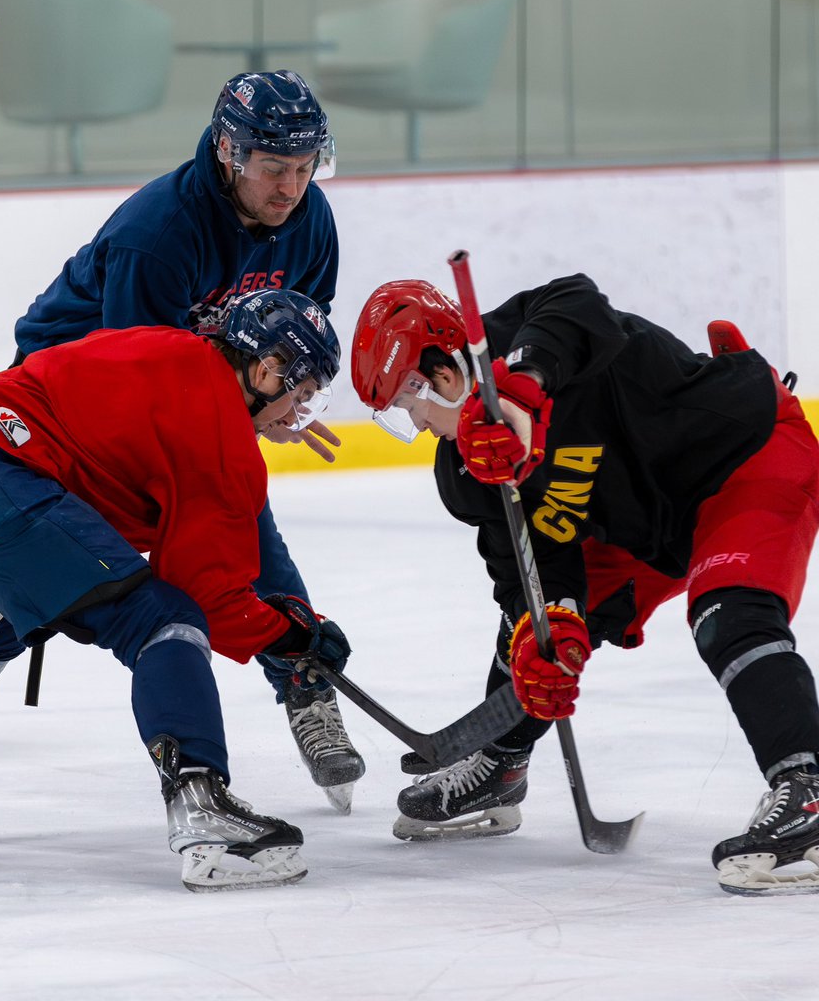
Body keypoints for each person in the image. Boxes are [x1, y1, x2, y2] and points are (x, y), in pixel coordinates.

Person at [0, 69, 364, 825]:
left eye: (305, 166)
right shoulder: (158, 234)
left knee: (236, 520)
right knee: (46, 563)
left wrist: (274, 396)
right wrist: (237, 424)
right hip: (70, 392)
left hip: (188, 386)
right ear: (229, 153)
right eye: (273, 168)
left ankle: (305, 689)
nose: (292, 186)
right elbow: (139, 371)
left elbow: (293, 329)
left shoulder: (311, 221)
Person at [0, 290, 352, 892]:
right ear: (267, 369)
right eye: (300, 393)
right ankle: (203, 807)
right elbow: (206, 597)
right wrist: (292, 635)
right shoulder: (221, 427)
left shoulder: (159, 343)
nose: (298, 414)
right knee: (163, 620)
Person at [350, 272, 819, 896]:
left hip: (742, 456)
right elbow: (527, 564)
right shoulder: (465, 470)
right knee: (534, 632)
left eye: (411, 404)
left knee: (727, 615)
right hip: (639, 531)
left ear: (440, 372)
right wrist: (553, 619)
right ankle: (501, 761)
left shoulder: (532, 334)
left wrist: (521, 394)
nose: (418, 423)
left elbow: (577, 299)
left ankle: (807, 790)